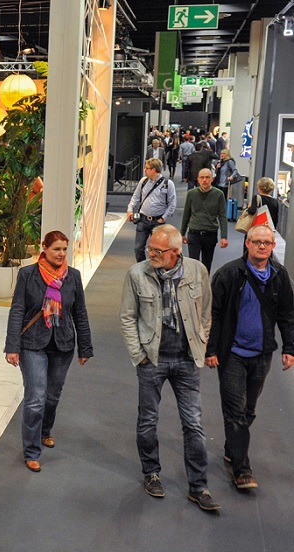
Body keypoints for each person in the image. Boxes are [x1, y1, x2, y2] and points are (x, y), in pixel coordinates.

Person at [119, 224, 220, 511]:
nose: (151, 254)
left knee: (194, 424)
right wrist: (139, 355)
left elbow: (205, 312)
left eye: (157, 251)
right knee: (148, 420)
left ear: (176, 251)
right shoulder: (136, 274)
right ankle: (151, 473)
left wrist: (201, 342)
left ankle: (198, 486)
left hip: (187, 360)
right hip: (152, 360)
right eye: (150, 248)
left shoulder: (197, 271)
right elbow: (127, 317)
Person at [206, 225, 294, 490]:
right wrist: (211, 349)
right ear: (247, 244)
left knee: (248, 411)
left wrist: (289, 347)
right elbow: (213, 313)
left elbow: (287, 315)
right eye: (257, 242)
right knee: (235, 412)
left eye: (267, 243)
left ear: (272, 246)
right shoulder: (229, 274)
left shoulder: (279, 275)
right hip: (232, 353)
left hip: (262, 354)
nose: (262, 246)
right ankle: (242, 470)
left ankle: (232, 447)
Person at [5, 231, 92, 473]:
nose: (61, 254)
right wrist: (12, 346)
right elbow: (17, 310)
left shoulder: (73, 276)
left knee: (52, 397)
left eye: (64, 249)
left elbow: (80, 313)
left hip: (63, 345)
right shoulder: (28, 274)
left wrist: (85, 347)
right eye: (56, 249)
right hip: (32, 343)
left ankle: (44, 431)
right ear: (44, 248)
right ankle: (32, 451)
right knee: (35, 399)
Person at [127, 158, 177, 263]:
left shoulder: (168, 184)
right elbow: (136, 197)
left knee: (158, 249)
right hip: (143, 220)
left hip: (158, 222)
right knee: (138, 249)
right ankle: (142, 267)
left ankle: (156, 267)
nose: (145, 170)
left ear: (153, 170)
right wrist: (130, 210)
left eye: (147, 168)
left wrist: (163, 218)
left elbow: (172, 204)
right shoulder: (143, 181)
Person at [180, 168, 228, 274]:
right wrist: (182, 233)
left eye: (207, 177)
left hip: (210, 234)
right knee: (193, 265)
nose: (204, 180)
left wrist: (224, 236)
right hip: (194, 233)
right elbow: (186, 214)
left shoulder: (219, 194)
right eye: (202, 177)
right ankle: (193, 284)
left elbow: (222, 216)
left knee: (206, 265)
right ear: (198, 179)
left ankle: (204, 284)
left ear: (212, 179)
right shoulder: (191, 194)